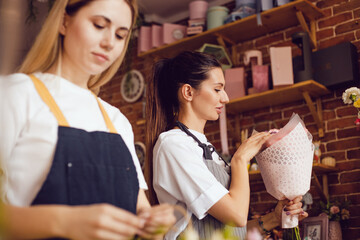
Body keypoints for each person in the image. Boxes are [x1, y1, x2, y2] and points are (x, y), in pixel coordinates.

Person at [0, 0, 175, 239]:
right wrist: (63, 222)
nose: (109, 43)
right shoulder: (16, 93)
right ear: (63, 21)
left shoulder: (117, 120)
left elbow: (141, 209)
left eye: (120, 35)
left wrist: (153, 223)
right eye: (99, 25)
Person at [146, 51, 308, 239]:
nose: (225, 98)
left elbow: (229, 232)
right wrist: (240, 160)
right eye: (217, 89)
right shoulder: (173, 145)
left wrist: (274, 218)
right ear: (188, 92)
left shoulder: (203, 147)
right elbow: (237, 216)